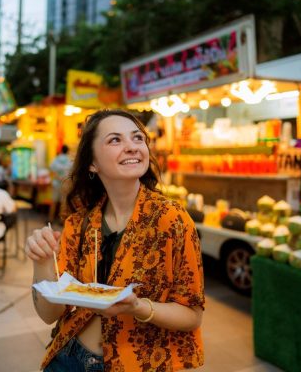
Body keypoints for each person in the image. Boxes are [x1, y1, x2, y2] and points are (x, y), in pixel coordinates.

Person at [25, 109, 205, 371]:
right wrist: (41, 263)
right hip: (70, 358)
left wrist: (137, 307)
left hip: (139, 363)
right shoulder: (80, 222)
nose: (132, 147)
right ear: (92, 163)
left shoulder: (171, 219)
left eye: (137, 138)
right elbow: (49, 314)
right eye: (115, 140)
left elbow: (192, 315)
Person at [48, 144, 72, 224]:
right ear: (67, 151)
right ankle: (61, 220)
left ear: (61, 150)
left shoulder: (56, 159)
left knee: (54, 201)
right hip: (64, 183)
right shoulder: (69, 160)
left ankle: (50, 218)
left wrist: (57, 177)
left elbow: (51, 169)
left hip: (56, 183)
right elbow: (71, 172)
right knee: (63, 202)